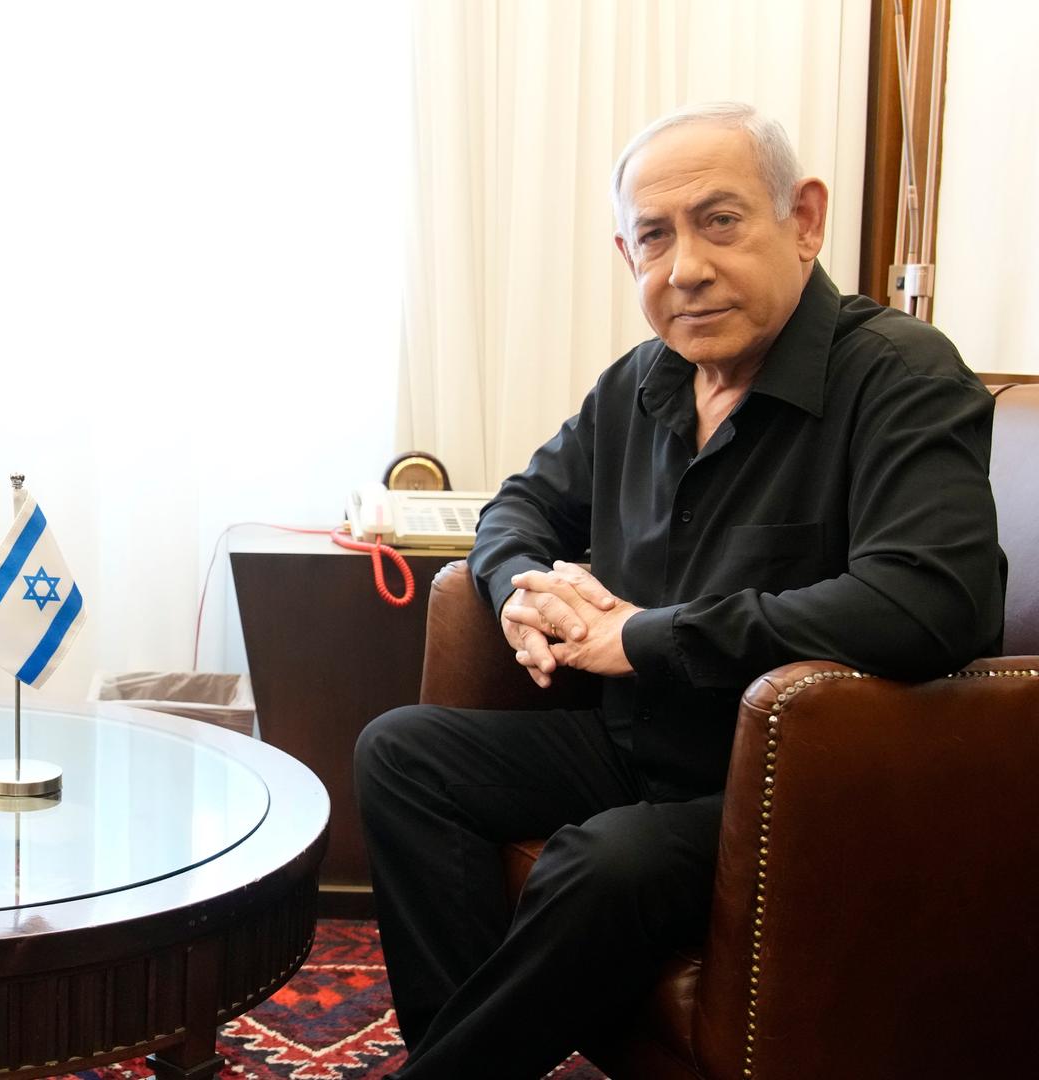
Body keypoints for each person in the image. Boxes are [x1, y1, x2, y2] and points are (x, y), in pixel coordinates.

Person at [353, 101, 1004, 1078]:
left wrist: (646, 638)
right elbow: (519, 507)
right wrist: (522, 585)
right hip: (635, 742)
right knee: (402, 754)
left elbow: (930, 601)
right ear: (628, 256)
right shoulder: (644, 383)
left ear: (806, 219)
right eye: (654, 237)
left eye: (721, 220)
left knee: (602, 863)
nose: (686, 266)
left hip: (790, 782)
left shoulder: (901, 377)